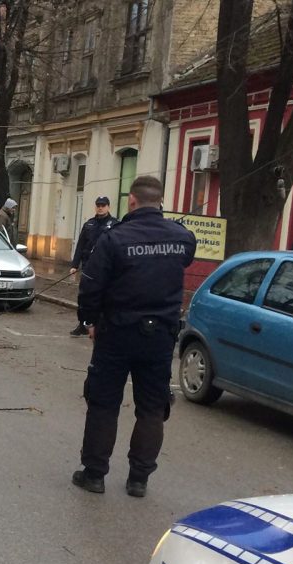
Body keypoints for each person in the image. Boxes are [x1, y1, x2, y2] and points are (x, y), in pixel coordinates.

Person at [71, 175, 195, 498]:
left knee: (103, 402)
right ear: (161, 202)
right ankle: (139, 479)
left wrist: (88, 321)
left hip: (117, 333)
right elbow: (185, 255)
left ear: (131, 201)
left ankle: (95, 474)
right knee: (152, 408)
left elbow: (92, 285)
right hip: (161, 337)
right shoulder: (182, 238)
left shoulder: (115, 240)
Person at [68, 196, 119, 336]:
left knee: (103, 297)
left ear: (108, 207)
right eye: (98, 205)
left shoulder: (114, 225)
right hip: (87, 267)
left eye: (103, 205)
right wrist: (74, 264)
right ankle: (82, 324)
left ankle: (101, 324)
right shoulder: (89, 224)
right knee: (84, 297)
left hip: (104, 268)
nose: (100, 207)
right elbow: (80, 245)